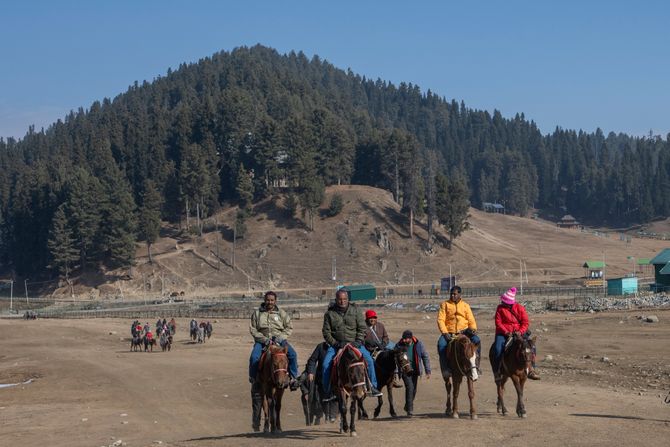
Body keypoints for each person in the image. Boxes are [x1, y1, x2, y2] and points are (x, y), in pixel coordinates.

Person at [321, 289, 383, 400]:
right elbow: (326, 332)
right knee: (326, 365)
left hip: (355, 343)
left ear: (348, 299)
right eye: (340, 299)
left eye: (344, 299)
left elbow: (362, 328)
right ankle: (328, 391)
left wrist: (358, 341)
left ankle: (372, 386)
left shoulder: (356, 310)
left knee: (369, 360)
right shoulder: (329, 314)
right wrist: (336, 343)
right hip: (337, 345)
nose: (342, 301)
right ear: (336, 300)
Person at [249, 291, 299, 390]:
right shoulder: (257, 314)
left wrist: (280, 337)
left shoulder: (281, 313)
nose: (270, 302)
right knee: (254, 357)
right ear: (264, 300)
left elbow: (289, 327)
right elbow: (253, 329)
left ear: (275, 301)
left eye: (272, 300)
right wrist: (264, 339)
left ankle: (293, 378)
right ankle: (254, 379)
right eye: (268, 300)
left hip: (280, 340)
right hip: (262, 340)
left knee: (293, 354)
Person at [492, 287, 540, 380]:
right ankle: (497, 371)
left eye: (504, 301)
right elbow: (498, 323)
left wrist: (520, 331)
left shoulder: (520, 308)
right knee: (497, 349)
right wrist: (506, 332)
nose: (502, 302)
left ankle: (532, 369)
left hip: (518, 332)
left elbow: (525, 323)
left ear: (509, 303)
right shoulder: (500, 308)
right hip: (503, 333)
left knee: (532, 347)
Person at [436, 285, 481, 377]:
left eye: (455, 294)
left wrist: (473, 329)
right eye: (451, 294)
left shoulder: (465, 306)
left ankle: (476, 366)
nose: (453, 296)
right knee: (441, 345)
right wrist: (444, 333)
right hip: (449, 332)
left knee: (477, 341)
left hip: (464, 332)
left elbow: (471, 319)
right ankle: (445, 369)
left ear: (460, 294)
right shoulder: (444, 305)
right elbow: (440, 320)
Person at [396, 330, 431, 417]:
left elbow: (425, 356)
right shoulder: (399, 345)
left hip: (415, 370)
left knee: (414, 390)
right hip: (405, 371)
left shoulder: (418, 344)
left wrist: (428, 370)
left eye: (406, 339)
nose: (404, 340)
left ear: (410, 338)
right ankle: (410, 410)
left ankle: (407, 405)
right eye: (403, 338)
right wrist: (395, 372)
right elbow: (395, 360)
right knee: (410, 387)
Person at [364, 309, 402, 388]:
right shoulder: (364, 328)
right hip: (371, 349)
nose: (373, 319)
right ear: (367, 319)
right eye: (370, 318)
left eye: (374, 318)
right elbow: (362, 340)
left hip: (383, 346)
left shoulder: (380, 325)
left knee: (395, 352)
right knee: (369, 361)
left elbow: (386, 337)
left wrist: (384, 344)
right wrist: (372, 344)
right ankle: (370, 380)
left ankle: (393, 377)